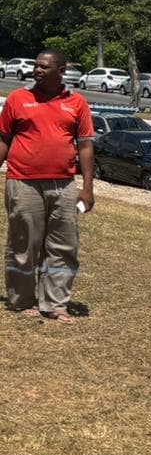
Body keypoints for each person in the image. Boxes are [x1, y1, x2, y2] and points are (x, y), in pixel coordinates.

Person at [0, 49, 95, 323]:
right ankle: (22, 300)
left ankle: (55, 303)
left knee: (64, 245)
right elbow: (4, 139)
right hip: (22, 182)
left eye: (44, 67)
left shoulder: (77, 103)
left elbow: (86, 145)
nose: (37, 70)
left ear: (61, 70)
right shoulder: (18, 99)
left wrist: (87, 188)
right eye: (36, 66)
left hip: (63, 185)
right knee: (24, 243)